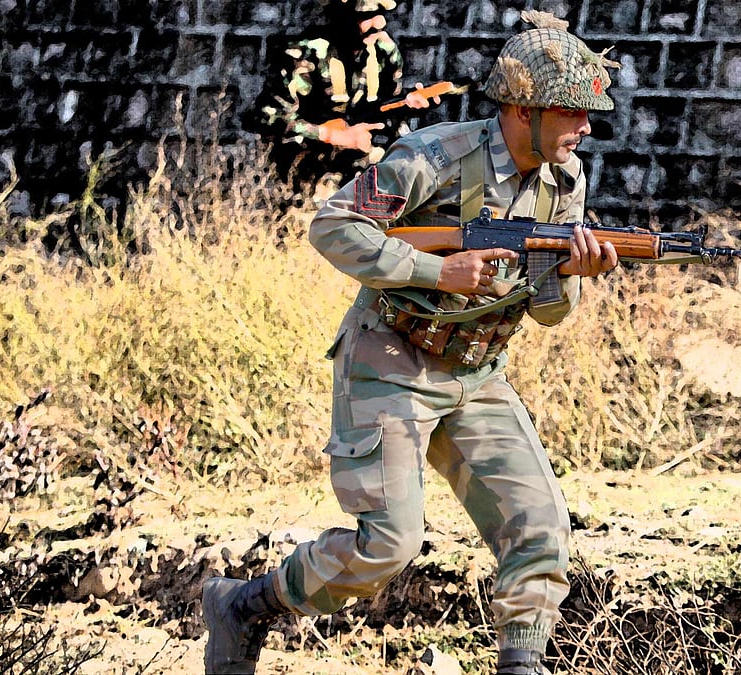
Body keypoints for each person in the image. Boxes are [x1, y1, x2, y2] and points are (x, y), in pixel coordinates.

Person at [204, 10, 620, 675]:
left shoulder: (563, 186)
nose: (586, 125)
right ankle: (247, 604)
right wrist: (437, 270)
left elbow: (545, 309)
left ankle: (521, 663)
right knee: (388, 545)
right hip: (390, 359)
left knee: (539, 527)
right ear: (521, 110)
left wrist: (572, 275)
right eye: (571, 110)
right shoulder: (435, 156)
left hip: (477, 373)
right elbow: (333, 225)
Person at [257, 0, 435, 193]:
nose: (379, 23)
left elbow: (386, 107)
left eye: (381, 14)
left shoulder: (383, 51)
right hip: (313, 170)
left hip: (367, 163)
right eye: (367, 17)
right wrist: (335, 136)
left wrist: (409, 105)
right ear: (344, 18)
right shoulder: (309, 55)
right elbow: (270, 118)